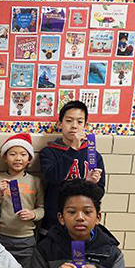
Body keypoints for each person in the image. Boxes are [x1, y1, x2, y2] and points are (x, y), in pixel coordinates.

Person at [39, 100, 105, 235]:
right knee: (53, 255)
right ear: (60, 124)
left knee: (78, 255)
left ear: (85, 125)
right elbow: (53, 178)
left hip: (82, 225)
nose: (74, 126)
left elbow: (100, 192)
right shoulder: (49, 152)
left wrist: (90, 185)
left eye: (79, 122)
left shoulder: (93, 155)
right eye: (69, 121)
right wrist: (73, 148)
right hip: (54, 223)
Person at [0, 132, 44, 268]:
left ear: (29, 159)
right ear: (5, 158)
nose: (18, 158)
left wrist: (33, 214)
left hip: (26, 239)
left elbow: (42, 208)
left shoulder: (35, 181)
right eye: (13, 154)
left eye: (23, 154)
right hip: (1, 236)